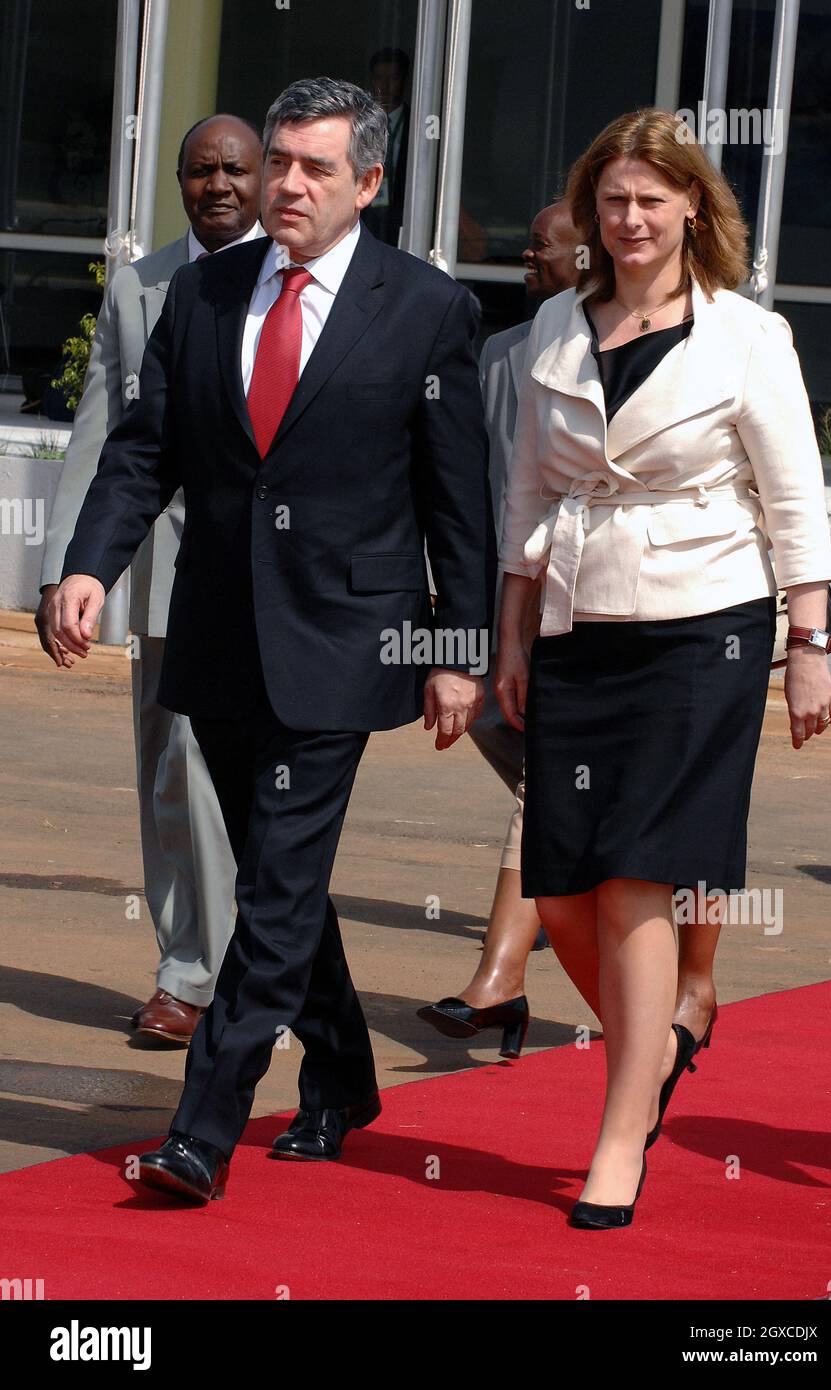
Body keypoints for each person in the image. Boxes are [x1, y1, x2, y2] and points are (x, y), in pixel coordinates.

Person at [48, 76, 495, 1205]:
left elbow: (459, 503)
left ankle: (202, 1127)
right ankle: (342, 1076)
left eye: (314, 168)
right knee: (275, 877)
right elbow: (146, 449)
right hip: (217, 631)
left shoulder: (427, 308)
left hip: (349, 641)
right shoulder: (205, 294)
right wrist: (90, 564)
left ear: (370, 184)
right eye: (281, 162)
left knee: (278, 890)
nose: (286, 184)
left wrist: (461, 645)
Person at [495, 108, 831, 1229]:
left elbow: (793, 498)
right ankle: (665, 1046)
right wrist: (509, 635)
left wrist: (808, 645)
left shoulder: (750, 336)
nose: (630, 218)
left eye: (652, 198)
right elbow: (531, 495)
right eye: (612, 200)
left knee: (639, 872)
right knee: (559, 883)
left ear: (695, 205)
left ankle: (617, 1137)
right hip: (578, 621)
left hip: (708, 625)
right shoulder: (553, 324)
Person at [36, 115, 265, 1045]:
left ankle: (257, 965)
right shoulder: (140, 287)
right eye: (198, 171)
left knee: (268, 785)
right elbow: (102, 437)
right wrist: (69, 570)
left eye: (233, 168)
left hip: (285, 578)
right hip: (172, 575)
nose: (216, 184)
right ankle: (188, 972)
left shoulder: (300, 278)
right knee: (174, 774)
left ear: (265, 176)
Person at [418, 200, 579, 1057]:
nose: (526, 252)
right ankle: (515, 970)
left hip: (615, 615)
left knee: (555, 782)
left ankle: (499, 981)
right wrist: (464, 624)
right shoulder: (497, 355)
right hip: (512, 611)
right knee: (553, 777)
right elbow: (471, 492)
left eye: (542, 244)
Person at [362, 46, 411, 246]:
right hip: (363, 220)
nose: (386, 86)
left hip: (404, 224)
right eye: (379, 78)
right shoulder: (358, 125)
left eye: (394, 79)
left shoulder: (418, 125)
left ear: (404, 81)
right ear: (371, 80)